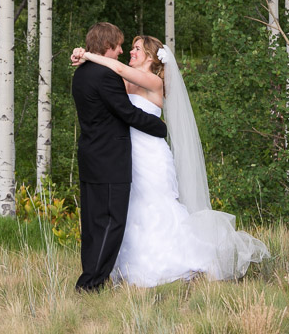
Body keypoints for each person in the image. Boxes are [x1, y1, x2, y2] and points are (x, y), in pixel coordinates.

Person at [71, 35, 269, 287]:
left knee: (156, 206)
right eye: (131, 47)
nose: (130, 52)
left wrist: (87, 55)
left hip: (151, 154)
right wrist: (81, 54)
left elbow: (117, 66)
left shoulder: (152, 81)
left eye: (137, 49)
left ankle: (170, 262)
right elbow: (109, 77)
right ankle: (129, 267)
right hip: (126, 154)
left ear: (152, 59)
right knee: (131, 210)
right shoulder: (122, 79)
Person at [71, 22, 169, 292]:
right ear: (107, 47)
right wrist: (160, 128)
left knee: (93, 224)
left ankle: (95, 277)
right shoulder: (107, 75)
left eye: (134, 48)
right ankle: (90, 284)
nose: (124, 51)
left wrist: (84, 55)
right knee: (111, 222)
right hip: (110, 160)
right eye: (120, 46)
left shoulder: (81, 74)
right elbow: (127, 112)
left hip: (95, 155)